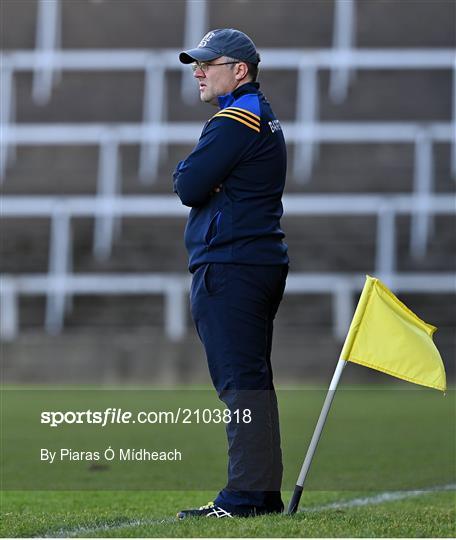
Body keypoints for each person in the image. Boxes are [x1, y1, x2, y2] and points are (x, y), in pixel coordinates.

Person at [173, 28, 289, 519]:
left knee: (240, 383)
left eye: (207, 62)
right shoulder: (258, 116)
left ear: (238, 69)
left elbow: (188, 183)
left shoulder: (234, 120)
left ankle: (244, 496)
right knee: (252, 381)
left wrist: (198, 173)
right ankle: (260, 495)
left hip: (232, 265)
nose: (197, 71)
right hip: (254, 261)